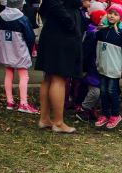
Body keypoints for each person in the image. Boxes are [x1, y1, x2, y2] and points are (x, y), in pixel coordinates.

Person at [35, 0, 83, 133]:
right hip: (62, 33)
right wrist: (71, 24)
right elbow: (54, 4)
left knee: (49, 77)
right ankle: (58, 122)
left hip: (55, 30)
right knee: (59, 77)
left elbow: (45, 7)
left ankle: (44, 118)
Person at [93, 2, 122, 129]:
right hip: (103, 66)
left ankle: (115, 114)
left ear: (120, 17)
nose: (111, 16)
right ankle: (105, 113)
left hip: (114, 67)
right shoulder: (102, 30)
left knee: (112, 91)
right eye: (110, 13)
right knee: (103, 92)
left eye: (115, 14)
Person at [0, 0, 37, 113]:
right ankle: (23, 104)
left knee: (8, 73)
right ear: (20, 5)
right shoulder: (22, 19)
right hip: (19, 49)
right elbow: (30, 37)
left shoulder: (1, 17)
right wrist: (28, 50)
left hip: (6, 50)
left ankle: (9, 101)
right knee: (24, 75)